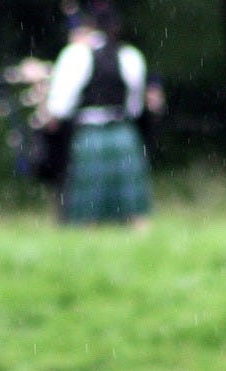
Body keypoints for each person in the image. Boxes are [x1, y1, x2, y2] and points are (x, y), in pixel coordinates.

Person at [42, 2, 152, 227]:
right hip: (123, 131)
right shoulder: (130, 56)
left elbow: (59, 106)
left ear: (89, 25)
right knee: (133, 205)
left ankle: (88, 236)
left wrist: (51, 122)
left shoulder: (75, 55)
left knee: (88, 206)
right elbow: (135, 106)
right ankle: (139, 234)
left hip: (89, 133)